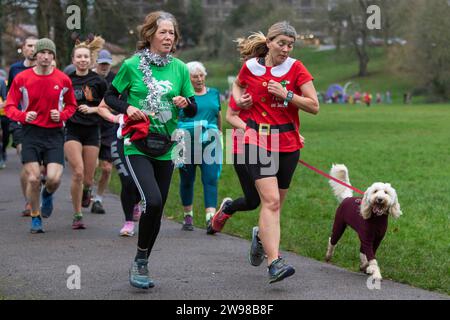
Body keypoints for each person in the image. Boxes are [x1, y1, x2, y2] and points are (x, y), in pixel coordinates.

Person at [214, 22, 320, 284]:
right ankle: (275, 263)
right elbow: (237, 88)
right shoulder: (251, 67)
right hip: (257, 141)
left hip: (288, 144)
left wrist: (287, 94)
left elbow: (314, 106)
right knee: (270, 201)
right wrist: (240, 101)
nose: (286, 49)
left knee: (276, 205)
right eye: (281, 43)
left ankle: (260, 238)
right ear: (270, 42)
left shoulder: (296, 68)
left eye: (290, 45)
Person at [104, 11, 197, 289]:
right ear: (149, 35)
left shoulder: (180, 68)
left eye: (172, 33)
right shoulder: (132, 65)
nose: (168, 37)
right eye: (163, 32)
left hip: (166, 146)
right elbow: (109, 96)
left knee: (156, 209)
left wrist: (184, 102)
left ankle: (142, 258)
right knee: (152, 201)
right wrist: (128, 107)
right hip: (136, 144)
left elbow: (192, 108)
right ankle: (140, 263)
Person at [4, 38, 77, 233]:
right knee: (34, 179)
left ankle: (47, 195)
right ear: (35, 56)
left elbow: (72, 106)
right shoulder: (22, 79)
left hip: (54, 134)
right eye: (41, 53)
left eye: (49, 53)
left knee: (53, 179)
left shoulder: (63, 79)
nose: (45, 57)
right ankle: (35, 216)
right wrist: (23, 115)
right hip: (30, 133)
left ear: (53, 56)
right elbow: (9, 106)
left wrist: (61, 115)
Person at [65, 36, 108, 229]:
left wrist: (93, 109)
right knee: (78, 173)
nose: (82, 60)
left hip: (92, 131)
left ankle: (88, 190)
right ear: (73, 60)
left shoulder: (98, 81)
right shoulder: (66, 80)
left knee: (89, 178)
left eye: (85, 57)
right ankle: (77, 215)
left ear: (91, 60)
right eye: (78, 57)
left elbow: (109, 105)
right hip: (72, 130)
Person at [177, 61, 222, 231]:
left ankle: (211, 219)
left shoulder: (214, 93)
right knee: (187, 180)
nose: (199, 79)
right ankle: (187, 215)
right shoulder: (182, 96)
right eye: (195, 76)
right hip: (185, 141)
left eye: (201, 75)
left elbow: (218, 115)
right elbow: (176, 119)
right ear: (188, 79)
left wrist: (219, 133)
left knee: (210, 178)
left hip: (210, 142)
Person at [6, 36, 38, 216]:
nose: (33, 49)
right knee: (26, 161)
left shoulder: (46, 68)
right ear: (23, 48)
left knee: (39, 167)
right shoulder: (16, 70)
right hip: (19, 121)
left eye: (36, 46)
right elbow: (12, 96)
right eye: (29, 46)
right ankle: (29, 201)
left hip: (41, 123)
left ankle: (35, 192)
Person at [90, 49, 117, 214]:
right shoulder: (89, 78)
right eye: (102, 64)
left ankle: (98, 199)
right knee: (90, 166)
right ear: (97, 63)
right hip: (90, 126)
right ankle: (87, 190)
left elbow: (121, 100)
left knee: (107, 168)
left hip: (109, 127)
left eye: (107, 64)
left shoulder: (115, 79)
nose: (104, 67)